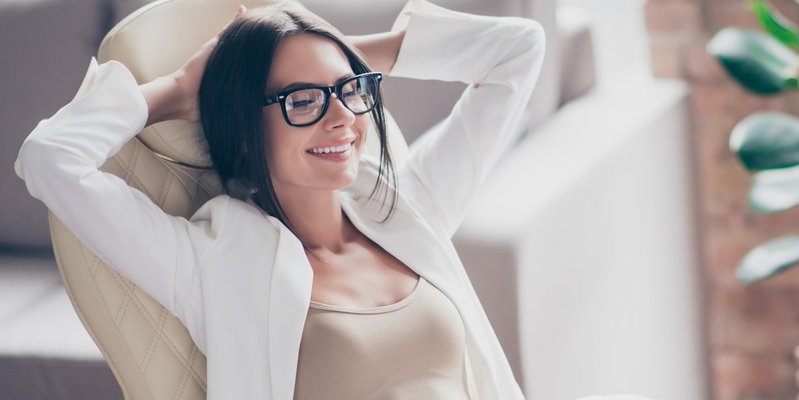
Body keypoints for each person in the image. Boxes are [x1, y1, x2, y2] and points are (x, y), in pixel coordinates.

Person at [13, 0, 545, 398]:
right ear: (245, 128)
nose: (341, 118)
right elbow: (50, 158)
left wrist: (333, 50)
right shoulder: (215, 264)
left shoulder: (405, 209)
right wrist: (177, 90)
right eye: (304, 100)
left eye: (349, 91)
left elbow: (518, 50)